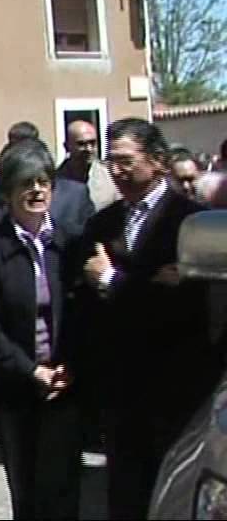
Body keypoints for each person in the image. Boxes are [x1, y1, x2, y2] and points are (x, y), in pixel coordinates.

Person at [72, 118, 213, 519]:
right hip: (119, 388)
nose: (115, 171)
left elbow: (180, 302)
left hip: (175, 387)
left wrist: (115, 280)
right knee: (125, 493)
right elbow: (87, 294)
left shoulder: (189, 223)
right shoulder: (103, 223)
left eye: (125, 161)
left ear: (157, 162)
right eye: (110, 161)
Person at [0, 140, 83, 519]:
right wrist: (32, 371)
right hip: (17, 385)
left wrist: (70, 367)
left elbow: (85, 316)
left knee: (64, 490)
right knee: (28, 493)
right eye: (26, 183)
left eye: (43, 181)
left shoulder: (72, 243)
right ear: (8, 193)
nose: (36, 190)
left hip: (66, 385)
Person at [56, 119, 120, 211]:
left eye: (92, 143)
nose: (89, 149)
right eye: (81, 144)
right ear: (67, 146)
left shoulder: (111, 177)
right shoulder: (55, 182)